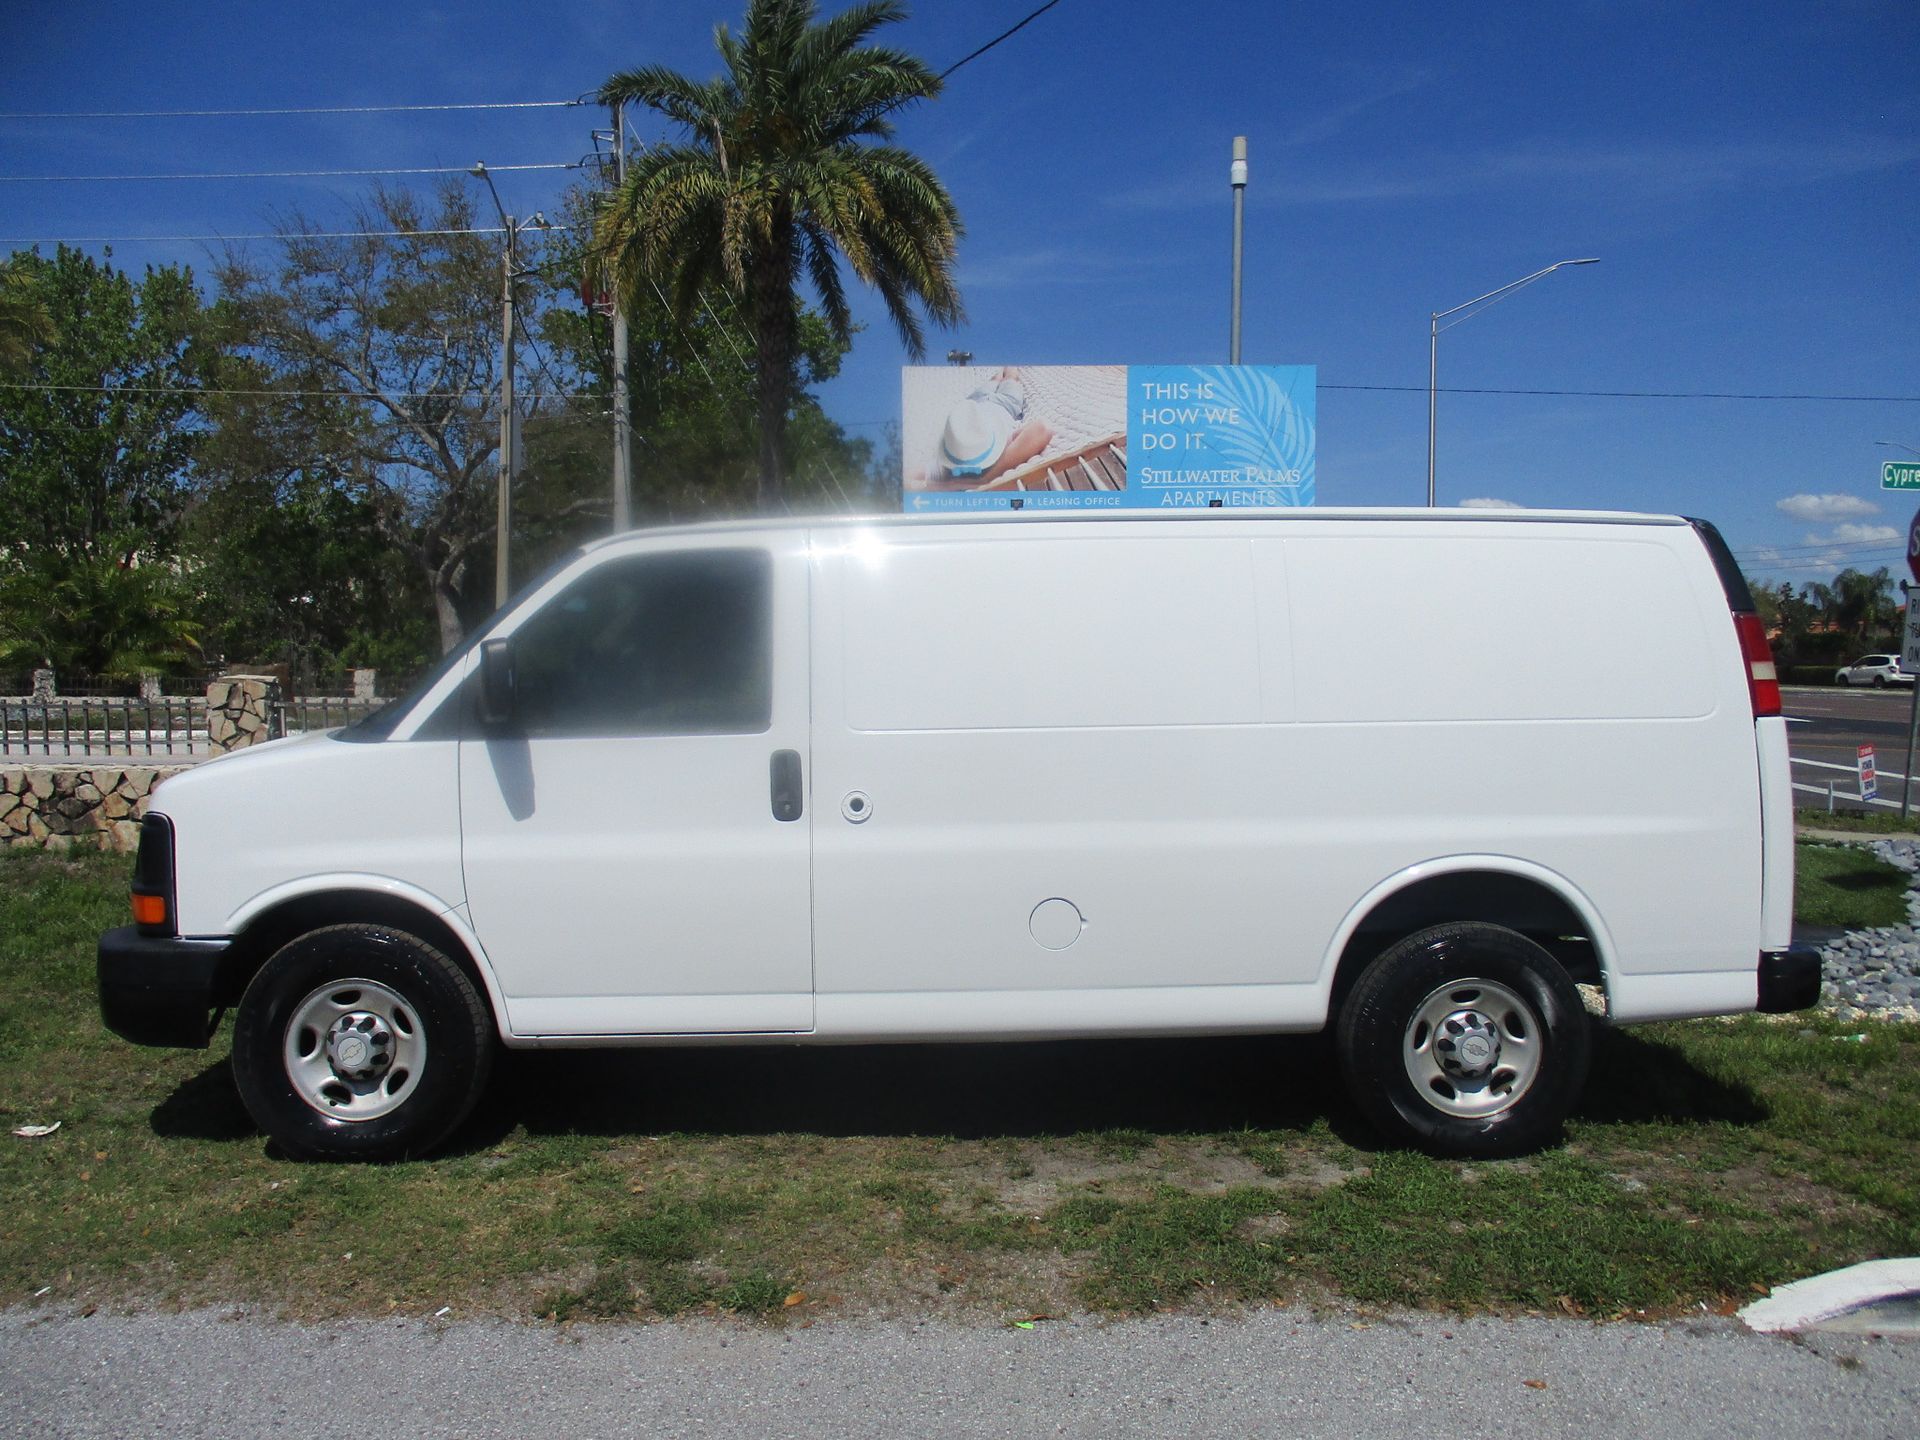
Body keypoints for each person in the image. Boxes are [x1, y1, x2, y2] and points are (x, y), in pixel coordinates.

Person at [932, 368, 1053, 487]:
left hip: (975, 404)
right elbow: (1043, 429)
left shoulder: (953, 448)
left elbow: (917, 477)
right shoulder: (1005, 448)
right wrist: (986, 479)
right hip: (1005, 403)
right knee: (1010, 377)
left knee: (995, 378)